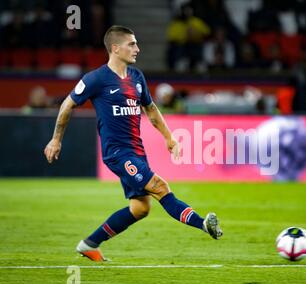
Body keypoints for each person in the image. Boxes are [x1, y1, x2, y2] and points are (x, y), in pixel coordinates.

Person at [44, 25, 222, 262]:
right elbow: (67, 105)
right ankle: (203, 224)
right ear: (115, 48)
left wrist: (169, 137)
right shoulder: (96, 79)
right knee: (160, 187)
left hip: (137, 152)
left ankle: (89, 244)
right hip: (117, 153)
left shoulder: (137, 77)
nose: (137, 48)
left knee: (140, 209)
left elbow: (150, 108)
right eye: (132, 44)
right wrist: (56, 139)